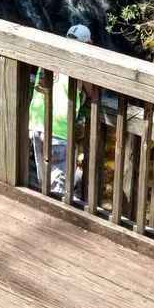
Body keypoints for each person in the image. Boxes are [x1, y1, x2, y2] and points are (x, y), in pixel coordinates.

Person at [28, 23, 94, 197]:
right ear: (87, 45)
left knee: (45, 181)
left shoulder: (49, 56)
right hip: (59, 131)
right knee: (58, 190)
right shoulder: (79, 64)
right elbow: (93, 92)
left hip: (36, 125)